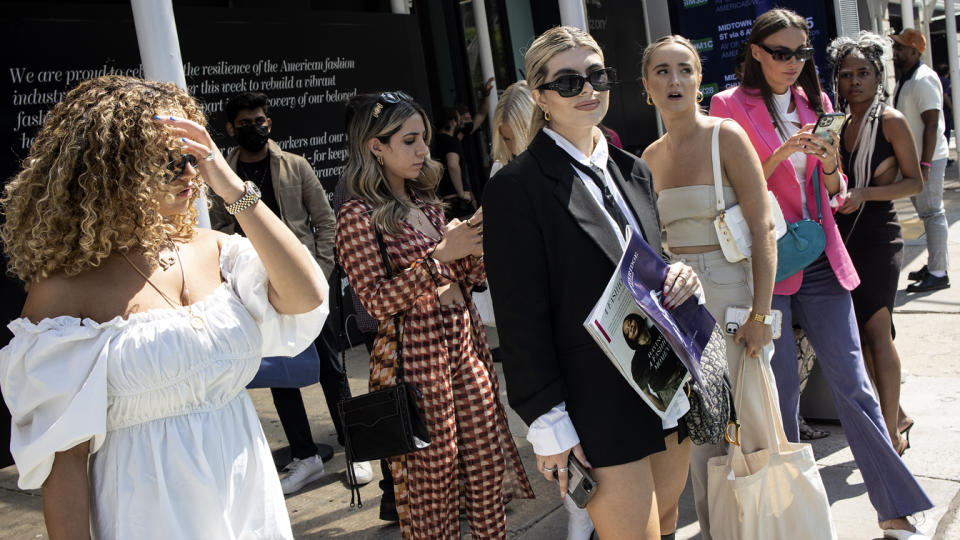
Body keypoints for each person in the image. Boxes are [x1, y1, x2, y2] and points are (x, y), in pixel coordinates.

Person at [0, 75, 328, 538]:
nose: (190, 175)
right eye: (170, 163)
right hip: (147, 511)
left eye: (193, 158)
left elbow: (306, 295)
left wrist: (230, 184)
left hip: (247, 496)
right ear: (114, 172)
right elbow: (64, 464)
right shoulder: (63, 292)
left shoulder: (216, 249)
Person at [710, 9, 933, 537]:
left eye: (801, 53)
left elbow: (831, 191)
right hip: (764, 268)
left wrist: (829, 161)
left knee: (854, 384)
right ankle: (794, 521)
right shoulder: (727, 107)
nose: (793, 63)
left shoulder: (819, 104)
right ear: (757, 53)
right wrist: (781, 153)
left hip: (818, 258)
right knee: (780, 395)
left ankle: (895, 508)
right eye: (781, 53)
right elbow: (730, 191)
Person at [484, 26, 703, 539]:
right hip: (595, 399)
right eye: (567, 82)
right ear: (539, 96)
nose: (587, 90)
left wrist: (679, 274)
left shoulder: (633, 171)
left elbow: (643, 262)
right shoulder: (518, 188)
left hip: (663, 380)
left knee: (667, 522)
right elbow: (521, 321)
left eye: (597, 75)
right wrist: (548, 424)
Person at [335, 91, 532, 539]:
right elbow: (376, 302)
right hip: (413, 366)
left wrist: (478, 244)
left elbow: (465, 279)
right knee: (431, 491)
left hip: (465, 351)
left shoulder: (427, 203)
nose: (424, 150)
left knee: (486, 475)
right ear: (376, 147)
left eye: (423, 137)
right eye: (410, 140)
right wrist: (442, 256)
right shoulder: (358, 215)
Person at [639, 34, 779, 540]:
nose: (674, 80)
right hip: (679, 310)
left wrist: (762, 315)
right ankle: (720, 529)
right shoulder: (647, 159)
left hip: (732, 302)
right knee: (700, 438)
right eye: (662, 71)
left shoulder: (727, 137)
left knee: (752, 430)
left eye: (684, 69)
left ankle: (767, 528)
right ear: (646, 85)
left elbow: (763, 228)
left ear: (700, 79)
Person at [208, 91, 373, 493]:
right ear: (231, 129)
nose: (255, 128)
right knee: (279, 373)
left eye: (260, 120)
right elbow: (217, 230)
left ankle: (356, 450)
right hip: (258, 292)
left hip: (307, 287)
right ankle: (305, 456)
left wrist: (318, 273)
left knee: (331, 369)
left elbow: (324, 221)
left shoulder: (294, 166)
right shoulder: (222, 178)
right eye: (246, 123)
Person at [829, 32, 925, 455]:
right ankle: (896, 413)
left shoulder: (890, 121)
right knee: (860, 339)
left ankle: (890, 435)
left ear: (878, 75)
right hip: (842, 240)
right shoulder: (836, 123)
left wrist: (864, 194)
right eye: (846, 74)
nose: (854, 82)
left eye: (863, 73)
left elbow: (915, 182)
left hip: (880, 239)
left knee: (877, 333)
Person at [891, 28, 951, 292]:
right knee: (927, 214)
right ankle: (935, 264)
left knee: (932, 213)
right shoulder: (909, 77)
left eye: (901, 48)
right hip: (915, 159)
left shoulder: (924, 78)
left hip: (928, 159)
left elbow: (931, 124)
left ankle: (938, 272)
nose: (896, 51)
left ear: (915, 51)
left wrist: (925, 165)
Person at [435, 107, 475, 218]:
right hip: (457, 202)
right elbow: (452, 164)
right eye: (458, 120)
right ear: (452, 122)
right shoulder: (452, 142)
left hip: (443, 200)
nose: (461, 123)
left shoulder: (435, 141)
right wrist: (461, 193)